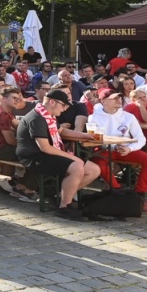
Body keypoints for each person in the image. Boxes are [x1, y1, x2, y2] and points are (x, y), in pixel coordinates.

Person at [17, 89, 98, 218]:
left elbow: (61, 131)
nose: (65, 109)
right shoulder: (36, 118)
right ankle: (64, 207)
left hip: (48, 153)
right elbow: (45, 148)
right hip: (34, 157)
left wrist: (85, 135)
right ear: (52, 102)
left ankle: (59, 195)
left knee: (94, 170)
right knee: (77, 167)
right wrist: (73, 158)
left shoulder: (48, 115)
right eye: (63, 105)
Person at [86, 90, 147, 206]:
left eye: (119, 97)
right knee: (98, 162)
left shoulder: (129, 116)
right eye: (114, 98)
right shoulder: (93, 117)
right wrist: (113, 145)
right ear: (103, 101)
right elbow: (96, 139)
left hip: (125, 149)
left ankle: (140, 194)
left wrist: (130, 148)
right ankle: (117, 191)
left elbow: (141, 138)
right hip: (105, 149)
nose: (119, 100)